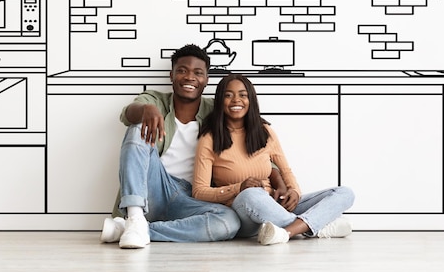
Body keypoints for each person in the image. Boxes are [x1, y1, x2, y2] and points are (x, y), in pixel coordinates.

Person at [100, 44, 241, 249]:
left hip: (191, 197)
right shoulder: (155, 100)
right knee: (137, 127)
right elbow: (128, 113)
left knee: (229, 222)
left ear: (206, 80)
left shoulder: (216, 111)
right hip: (154, 188)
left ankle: (134, 229)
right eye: (182, 70)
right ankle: (135, 215)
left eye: (198, 72)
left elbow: (248, 140)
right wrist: (145, 110)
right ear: (171, 75)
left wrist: (274, 173)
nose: (189, 77)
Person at [192, 73, 355, 245]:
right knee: (252, 194)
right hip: (244, 212)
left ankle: (287, 231)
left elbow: (285, 170)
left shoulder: (265, 131)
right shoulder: (209, 138)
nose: (236, 100)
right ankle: (315, 227)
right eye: (228, 95)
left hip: (275, 204)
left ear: (251, 100)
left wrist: (294, 192)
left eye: (242, 95)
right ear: (219, 101)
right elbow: (199, 191)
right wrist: (237, 188)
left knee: (344, 193)